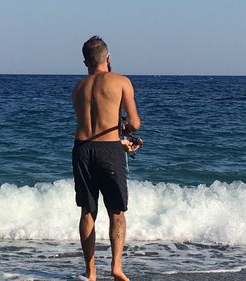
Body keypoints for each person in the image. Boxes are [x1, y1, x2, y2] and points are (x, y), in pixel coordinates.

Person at [71, 36, 142, 281]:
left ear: (85, 62)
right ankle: (116, 268)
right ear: (108, 58)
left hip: (81, 149)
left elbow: (91, 122)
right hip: (109, 151)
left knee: (87, 211)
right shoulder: (121, 81)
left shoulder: (78, 88)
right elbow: (133, 122)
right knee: (116, 212)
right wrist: (127, 135)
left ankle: (90, 273)